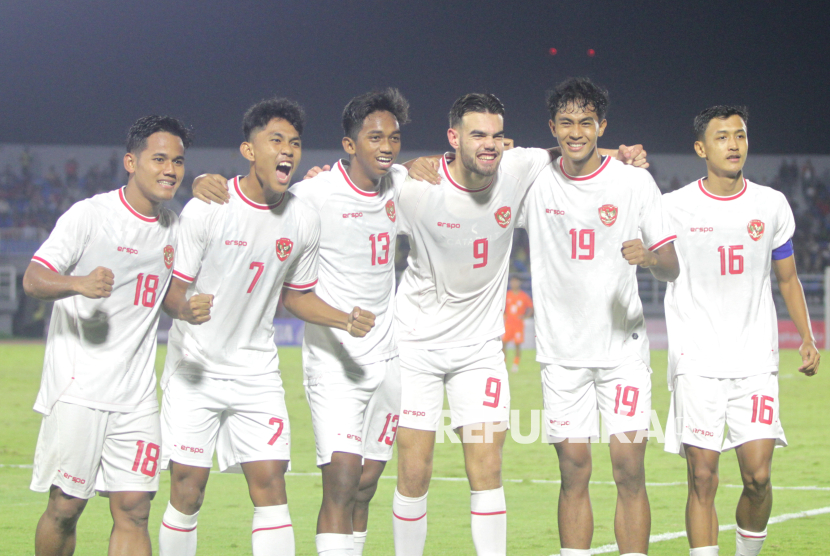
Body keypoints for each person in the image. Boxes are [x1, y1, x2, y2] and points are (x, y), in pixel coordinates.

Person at [391, 92, 647, 556]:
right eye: (476, 135)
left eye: (495, 136)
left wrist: (620, 155)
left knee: (487, 468)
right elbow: (356, 187)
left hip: (481, 350)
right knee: (414, 470)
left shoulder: (518, 167)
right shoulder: (415, 187)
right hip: (415, 346)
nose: (488, 145)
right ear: (453, 139)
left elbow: (571, 149)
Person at [157, 98, 375, 556]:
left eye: (294, 143)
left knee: (272, 486)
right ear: (248, 150)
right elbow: (171, 291)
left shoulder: (301, 218)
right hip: (195, 367)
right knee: (188, 489)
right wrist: (186, 308)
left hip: (256, 372)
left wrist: (344, 318)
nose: (288, 151)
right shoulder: (208, 207)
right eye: (275, 140)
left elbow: (296, 295)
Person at [516, 77, 679, 556]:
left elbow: (673, 267)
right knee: (574, 472)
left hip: (621, 352)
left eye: (586, 122)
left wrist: (649, 257)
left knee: (629, 469)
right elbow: (485, 153)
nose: (576, 131)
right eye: (565, 122)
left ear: (602, 125)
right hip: (562, 356)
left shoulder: (634, 181)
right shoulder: (533, 181)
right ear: (552, 127)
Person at [23, 115, 191, 556]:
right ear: (131, 162)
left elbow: (166, 297)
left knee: (135, 509)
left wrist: (188, 307)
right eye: (159, 159)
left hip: (136, 396)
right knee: (65, 507)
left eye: (177, 160)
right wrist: (76, 284)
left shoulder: (174, 227)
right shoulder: (90, 215)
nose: (170, 169)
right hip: (79, 388)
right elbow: (34, 279)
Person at [662, 105, 820, 556]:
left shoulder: (771, 205)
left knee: (758, 477)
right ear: (700, 148)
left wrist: (807, 336)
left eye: (741, 135)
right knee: (703, 477)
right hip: (697, 360)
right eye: (722, 136)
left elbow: (787, 278)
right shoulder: (673, 207)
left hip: (755, 360)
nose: (733, 144)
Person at [289, 88, 410, 556]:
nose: (386, 146)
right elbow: (291, 295)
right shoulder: (314, 194)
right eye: (375, 136)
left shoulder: (401, 182)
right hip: (334, 362)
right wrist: (343, 320)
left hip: (388, 360)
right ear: (349, 144)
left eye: (394, 137)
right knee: (340, 482)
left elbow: (476, 158)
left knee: (365, 485)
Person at [502, 275, 534, 372]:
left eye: (516, 282)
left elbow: (531, 307)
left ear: (519, 283)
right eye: (512, 282)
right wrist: (504, 315)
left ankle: (515, 364)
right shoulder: (507, 295)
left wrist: (525, 316)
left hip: (518, 325)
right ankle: (503, 363)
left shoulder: (523, 296)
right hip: (508, 324)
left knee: (517, 345)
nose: (514, 284)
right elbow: (501, 306)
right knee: (503, 344)